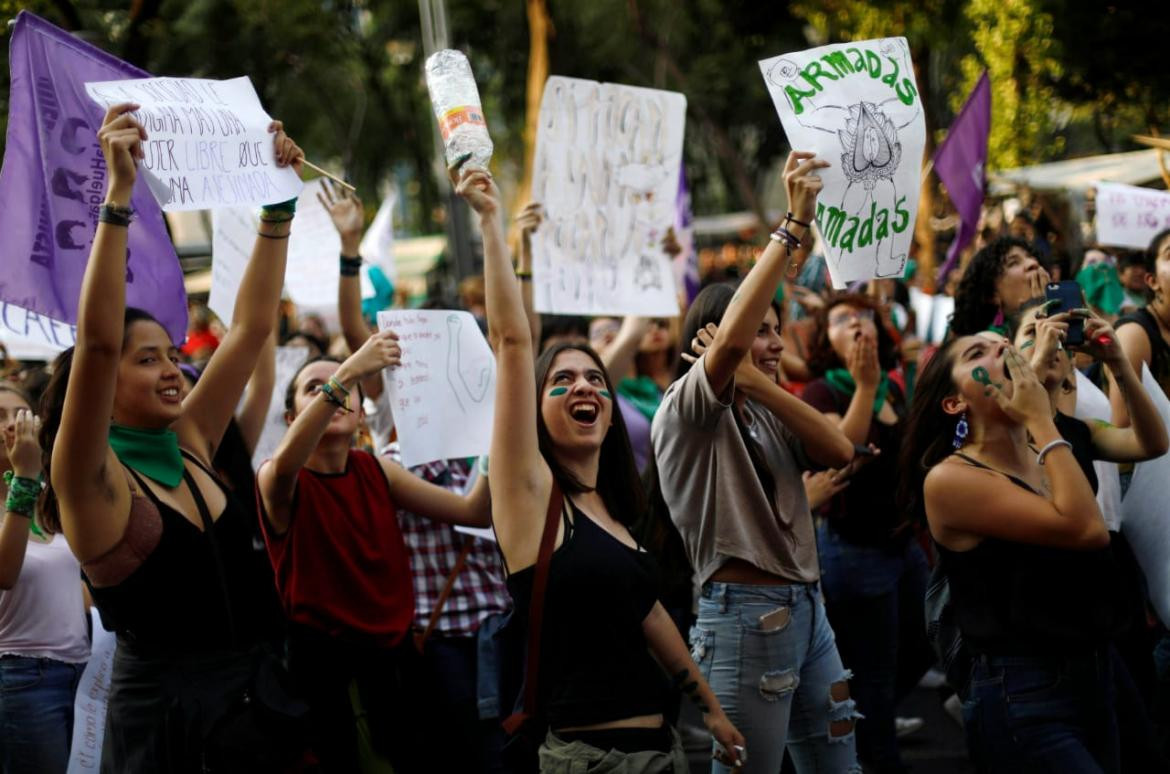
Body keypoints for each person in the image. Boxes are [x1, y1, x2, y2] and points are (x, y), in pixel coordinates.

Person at [40, 104, 302, 772]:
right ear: (103, 382)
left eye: (172, 353)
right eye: (148, 358)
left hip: (257, 700)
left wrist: (278, 208)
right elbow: (97, 343)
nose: (173, 369)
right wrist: (119, 195)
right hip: (170, 726)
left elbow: (248, 330)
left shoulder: (188, 441)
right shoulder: (91, 479)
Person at [463, 161, 744, 772]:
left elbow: (649, 615)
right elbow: (513, 343)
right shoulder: (530, 496)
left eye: (595, 378)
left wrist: (713, 710)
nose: (584, 386)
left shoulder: (614, 510)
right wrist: (492, 224)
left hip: (663, 751)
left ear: (613, 416)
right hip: (591, 761)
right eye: (561, 380)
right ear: (534, 414)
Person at [651, 151, 859, 774]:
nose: (773, 343)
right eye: (759, 331)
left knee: (839, 767)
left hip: (809, 610)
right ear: (715, 339)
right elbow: (734, 344)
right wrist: (792, 225)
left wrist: (762, 384)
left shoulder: (769, 406)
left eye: (777, 330)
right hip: (743, 621)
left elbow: (840, 450)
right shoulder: (686, 406)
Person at [901, 332, 1129, 772]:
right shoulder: (950, 480)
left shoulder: (1037, 450)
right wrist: (1044, 422)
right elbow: (1087, 529)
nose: (1000, 351)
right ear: (954, 403)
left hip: (1092, 674)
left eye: (1003, 342)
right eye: (977, 354)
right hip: (1023, 693)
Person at [801, 294, 933, 774]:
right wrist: (865, 387)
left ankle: (858, 717)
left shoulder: (892, 389)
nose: (858, 325)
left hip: (901, 545)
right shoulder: (822, 393)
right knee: (874, 673)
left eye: (866, 318)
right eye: (842, 319)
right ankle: (876, 752)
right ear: (823, 340)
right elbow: (842, 456)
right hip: (854, 552)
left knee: (925, 643)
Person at [0, 384, 89, 773]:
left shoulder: (53, 500)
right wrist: (24, 478)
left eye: (21, 415)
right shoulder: (26, 492)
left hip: (85, 672)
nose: (12, 426)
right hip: (22, 679)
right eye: (0, 417)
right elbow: (6, 572)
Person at [951, 236, 1050, 336]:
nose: (1033, 263)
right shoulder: (991, 342)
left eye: (1031, 257)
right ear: (992, 295)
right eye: (1013, 263)